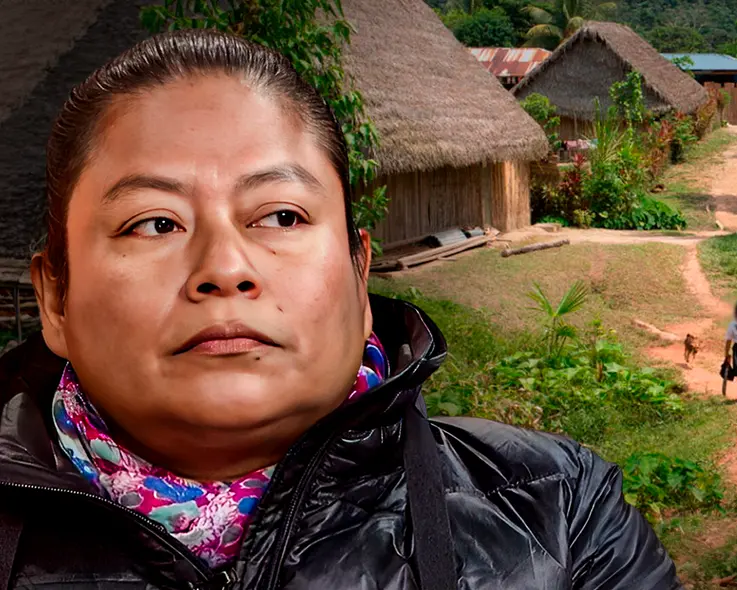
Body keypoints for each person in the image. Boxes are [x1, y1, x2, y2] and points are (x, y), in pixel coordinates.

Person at [0, 30, 684, 590]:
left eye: (281, 215)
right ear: (56, 298)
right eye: (154, 224)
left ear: (360, 276)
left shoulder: (560, 514)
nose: (225, 270)